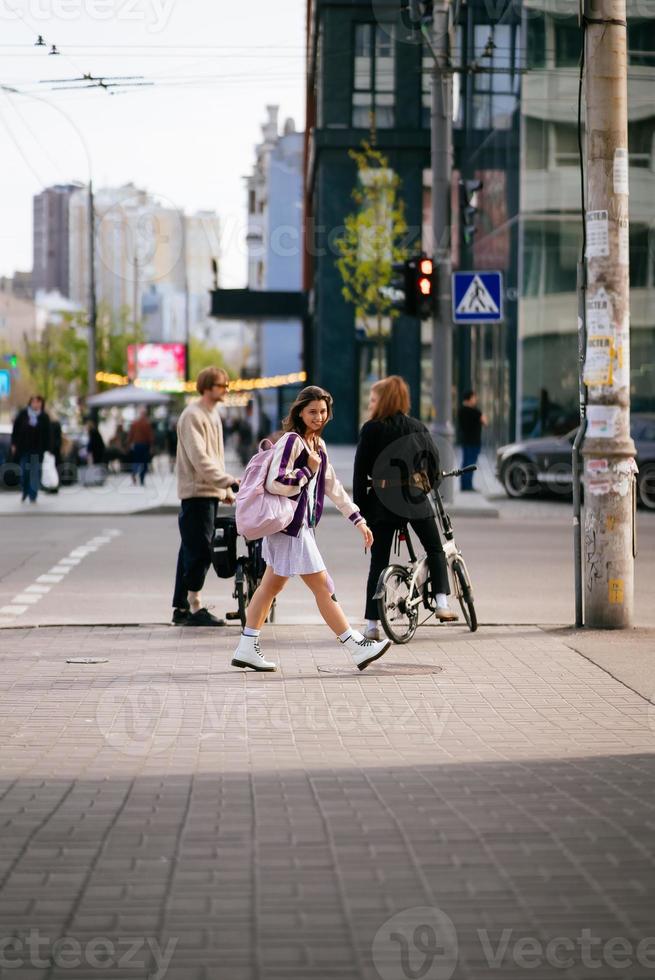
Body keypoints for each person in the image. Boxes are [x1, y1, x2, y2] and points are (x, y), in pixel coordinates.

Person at [232, 385, 391, 673]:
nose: (319, 416)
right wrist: (308, 471)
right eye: (312, 411)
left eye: (323, 411)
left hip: (299, 528)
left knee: (270, 586)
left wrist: (358, 519)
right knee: (322, 586)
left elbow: (333, 487)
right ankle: (355, 646)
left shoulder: (318, 445)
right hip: (291, 529)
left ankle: (246, 646)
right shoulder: (292, 442)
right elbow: (275, 482)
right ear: (300, 413)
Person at [353, 375, 458, 642]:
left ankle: (372, 625)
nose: (370, 404)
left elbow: (359, 474)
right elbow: (433, 468)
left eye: (373, 399)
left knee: (378, 563)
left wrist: (363, 511)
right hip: (413, 501)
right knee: (434, 548)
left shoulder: (371, 430)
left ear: (384, 400)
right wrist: (428, 486)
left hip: (381, 503)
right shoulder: (417, 427)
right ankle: (442, 603)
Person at [172, 366, 240, 627]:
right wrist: (226, 481)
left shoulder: (211, 414)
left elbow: (215, 458)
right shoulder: (193, 415)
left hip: (207, 491)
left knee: (189, 550)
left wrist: (222, 490)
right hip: (196, 493)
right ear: (208, 386)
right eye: (222, 385)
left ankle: (181, 608)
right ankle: (194, 606)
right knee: (199, 551)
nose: (226, 390)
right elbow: (200, 458)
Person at [11, 395, 51, 504]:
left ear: (41, 404)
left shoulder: (44, 417)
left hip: (37, 450)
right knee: (24, 472)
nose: (36, 404)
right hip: (24, 449)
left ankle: (33, 495)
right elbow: (15, 430)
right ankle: (25, 491)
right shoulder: (23, 414)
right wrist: (14, 444)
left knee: (34, 473)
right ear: (30, 403)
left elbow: (47, 434)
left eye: (38, 402)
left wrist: (47, 449)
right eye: (34, 402)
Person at [457, 390, 487, 491]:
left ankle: (464, 485)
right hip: (474, 442)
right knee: (471, 464)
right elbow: (485, 422)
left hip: (465, 441)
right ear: (470, 398)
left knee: (465, 463)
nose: (475, 399)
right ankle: (468, 485)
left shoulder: (461, 411)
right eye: (474, 397)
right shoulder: (476, 412)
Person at [128, 407, 155, 486]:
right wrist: (151, 446)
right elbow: (150, 436)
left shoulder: (135, 423)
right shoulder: (147, 424)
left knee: (136, 461)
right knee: (145, 462)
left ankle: (134, 473)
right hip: (144, 445)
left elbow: (130, 435)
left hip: (137, 445)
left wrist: (129, 444)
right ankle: (141, 478)